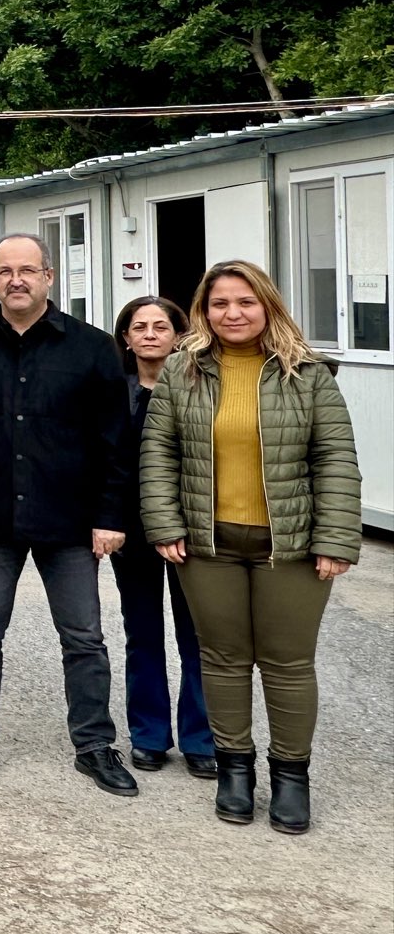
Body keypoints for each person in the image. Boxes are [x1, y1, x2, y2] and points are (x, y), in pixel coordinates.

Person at [139, 261, 362, 834]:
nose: (232, 314)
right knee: (223, 659)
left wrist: (334, 536)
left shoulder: (307, 373)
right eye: (219, 304)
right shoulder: (181, 372)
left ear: (268, 305)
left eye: (245, 302)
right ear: (202, 311)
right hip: (208, 543)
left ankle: (292, 777)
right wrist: (165, 524)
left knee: (288, 664)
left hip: (289, 545)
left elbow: (334, 459)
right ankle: (235, 770)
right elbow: (159, 453)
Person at [0, 234, 138, 797]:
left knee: (84, 637)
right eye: (4, 271)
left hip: (70, 522)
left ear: (49, 275)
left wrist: (110, 515)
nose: (15, 280)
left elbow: (116, 444)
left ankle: (94, 744)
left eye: (27, 270)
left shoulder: (93, 348)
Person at [108, 295, 214, 779]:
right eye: (139, 327)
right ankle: (149, 735)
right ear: (126, 339)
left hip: (192, 530)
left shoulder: (201, 389)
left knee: (199, 637)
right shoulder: (112, 393)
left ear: (180, 334)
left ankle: (202, 739)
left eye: (160, 326)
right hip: (131, 532)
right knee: (143, 633)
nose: (150, 334)